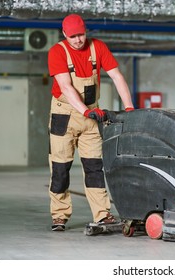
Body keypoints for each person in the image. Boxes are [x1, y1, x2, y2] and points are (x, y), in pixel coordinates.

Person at [47, 14, 134, 231]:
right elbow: (66, 87)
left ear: (86, 31)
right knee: (60, 168)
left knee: (94, 167)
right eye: (73, 36)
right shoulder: (58, 52)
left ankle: (102, 215)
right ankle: (59, 215)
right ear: (65, 34)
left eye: (81, 35)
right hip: (64, 116)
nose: (78, 40)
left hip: (91, 117)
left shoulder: (98, 48)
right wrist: (86, 111)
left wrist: (130, 107)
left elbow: (117, 76)